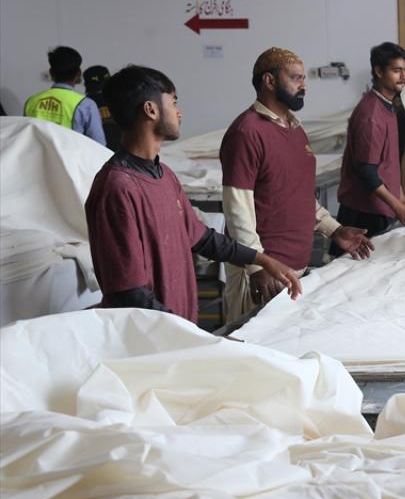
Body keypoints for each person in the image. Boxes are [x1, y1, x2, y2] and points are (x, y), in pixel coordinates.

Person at [84, 65, 301, 325]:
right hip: (148, 337)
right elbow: (129, 294)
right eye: (173, 102)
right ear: (150, 109)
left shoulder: (165, 175)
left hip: (177, 331)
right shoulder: (116, 188)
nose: (179, 112)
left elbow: (201, 238)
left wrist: (261, 260)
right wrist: (187, 335)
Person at [220, 47, 375, 320]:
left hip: (293, 270)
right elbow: (237, 208)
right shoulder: (247, 132)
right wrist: (257, 266)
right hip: (264, 273)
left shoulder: (295, 129)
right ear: (269, 81)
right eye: (295, 78)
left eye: (304, 78)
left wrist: (334, 229)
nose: (304, 86)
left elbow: (298, 195)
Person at [333, 42, 405, 244]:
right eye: (396, 70)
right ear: (379, 72)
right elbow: (367, 171)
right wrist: (397, 206)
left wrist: (399, 192)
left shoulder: (389, 106)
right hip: (364, 212)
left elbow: (387, 161)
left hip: (381, 206)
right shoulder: (371, 115)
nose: (404, 77)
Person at [24, 46, 107, 146]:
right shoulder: (86, 105)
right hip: (71, 156)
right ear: (78, 73)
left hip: (39, 156)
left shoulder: (31, 101)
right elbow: (99, 146)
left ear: (51, 73)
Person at [83, 65, 123, 151]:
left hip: (94, 152)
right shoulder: (122, 99)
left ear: (86, 84)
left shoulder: (84, 104)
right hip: (122, 153)